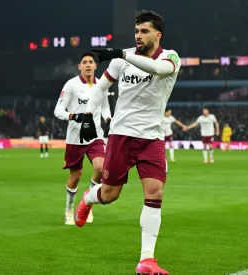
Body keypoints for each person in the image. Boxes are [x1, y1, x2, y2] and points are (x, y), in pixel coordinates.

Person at [75, 10, 180, 275]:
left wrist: (122, 54)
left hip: (152, 138)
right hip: (121, 135)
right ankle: (88, 197)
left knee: (155, 193)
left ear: (158, 34)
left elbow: (156, 69)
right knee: (110, 195)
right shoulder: (121, 59)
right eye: (136, 31)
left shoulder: (170, 57)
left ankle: (146, 260)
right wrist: (88, 115)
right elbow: (100, 88)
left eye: (144, 31)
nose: (138, 36)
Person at [54, 52, 111, 225]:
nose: (87, 65)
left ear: (95, 66)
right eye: (84, 62)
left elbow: (105, 108)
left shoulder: (102, 85)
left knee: (101, 168)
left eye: (91, 62)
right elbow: (58, 110)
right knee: (76, 176)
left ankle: (87, 204)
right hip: (75, 138)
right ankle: (69, 208)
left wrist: (109, 119)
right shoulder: (71, 85)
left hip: (95, 136)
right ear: (79, 66)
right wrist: (73, 116)